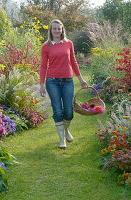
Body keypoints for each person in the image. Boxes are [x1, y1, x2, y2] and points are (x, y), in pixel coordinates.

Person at [39, 19, 88, 149]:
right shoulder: (46, 46)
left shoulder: (69, 43)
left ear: (62, 29)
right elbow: (43, 66)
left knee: (68, 111)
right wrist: (41, 84)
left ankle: (66, 130)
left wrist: (81, 80)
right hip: (52, 81)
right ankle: (62, 140)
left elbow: (74, 62)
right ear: (50, 30)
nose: (56, 30)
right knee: (58, 111)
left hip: (67, 81)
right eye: (54, 28)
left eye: (59, 28)